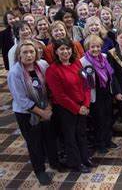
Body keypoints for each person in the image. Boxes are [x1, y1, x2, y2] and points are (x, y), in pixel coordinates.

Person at [8, 40, 62, 185]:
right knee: (35, 144)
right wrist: (42, 113)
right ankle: (40, 171)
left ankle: (54, 162)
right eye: (25, 52)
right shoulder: (15, 73)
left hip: (46, 108)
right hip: (27, 114)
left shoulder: (43, 65)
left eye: (31, 52)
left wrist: (49, 108)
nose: (29, 55)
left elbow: (51, 87)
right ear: (19, 55)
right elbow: (21, 99)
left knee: (50, 138)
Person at [46, 38, 96, 173]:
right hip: (66, 109)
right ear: (56, 51)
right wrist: (77, 108)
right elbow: (59, 96)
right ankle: (76, 163)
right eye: (62, 49)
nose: (65, 51)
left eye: (68, 48)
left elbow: (86, 84)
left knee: (81, 134)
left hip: (82, 105)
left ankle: (85, 158)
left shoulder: (77, 63)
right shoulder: (53, 70)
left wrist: (85, 104)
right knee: (70, 137)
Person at [80, 35, 119, 154]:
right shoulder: (83, 62)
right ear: (87, 48)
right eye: (92, 47)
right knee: (99, 120)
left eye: (98, 46)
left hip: (107, 93)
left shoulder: (105, 57)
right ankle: (100, 143)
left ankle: (108, 140)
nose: (96, 49)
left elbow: (111, 75)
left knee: (108, 117)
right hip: (94, 95)